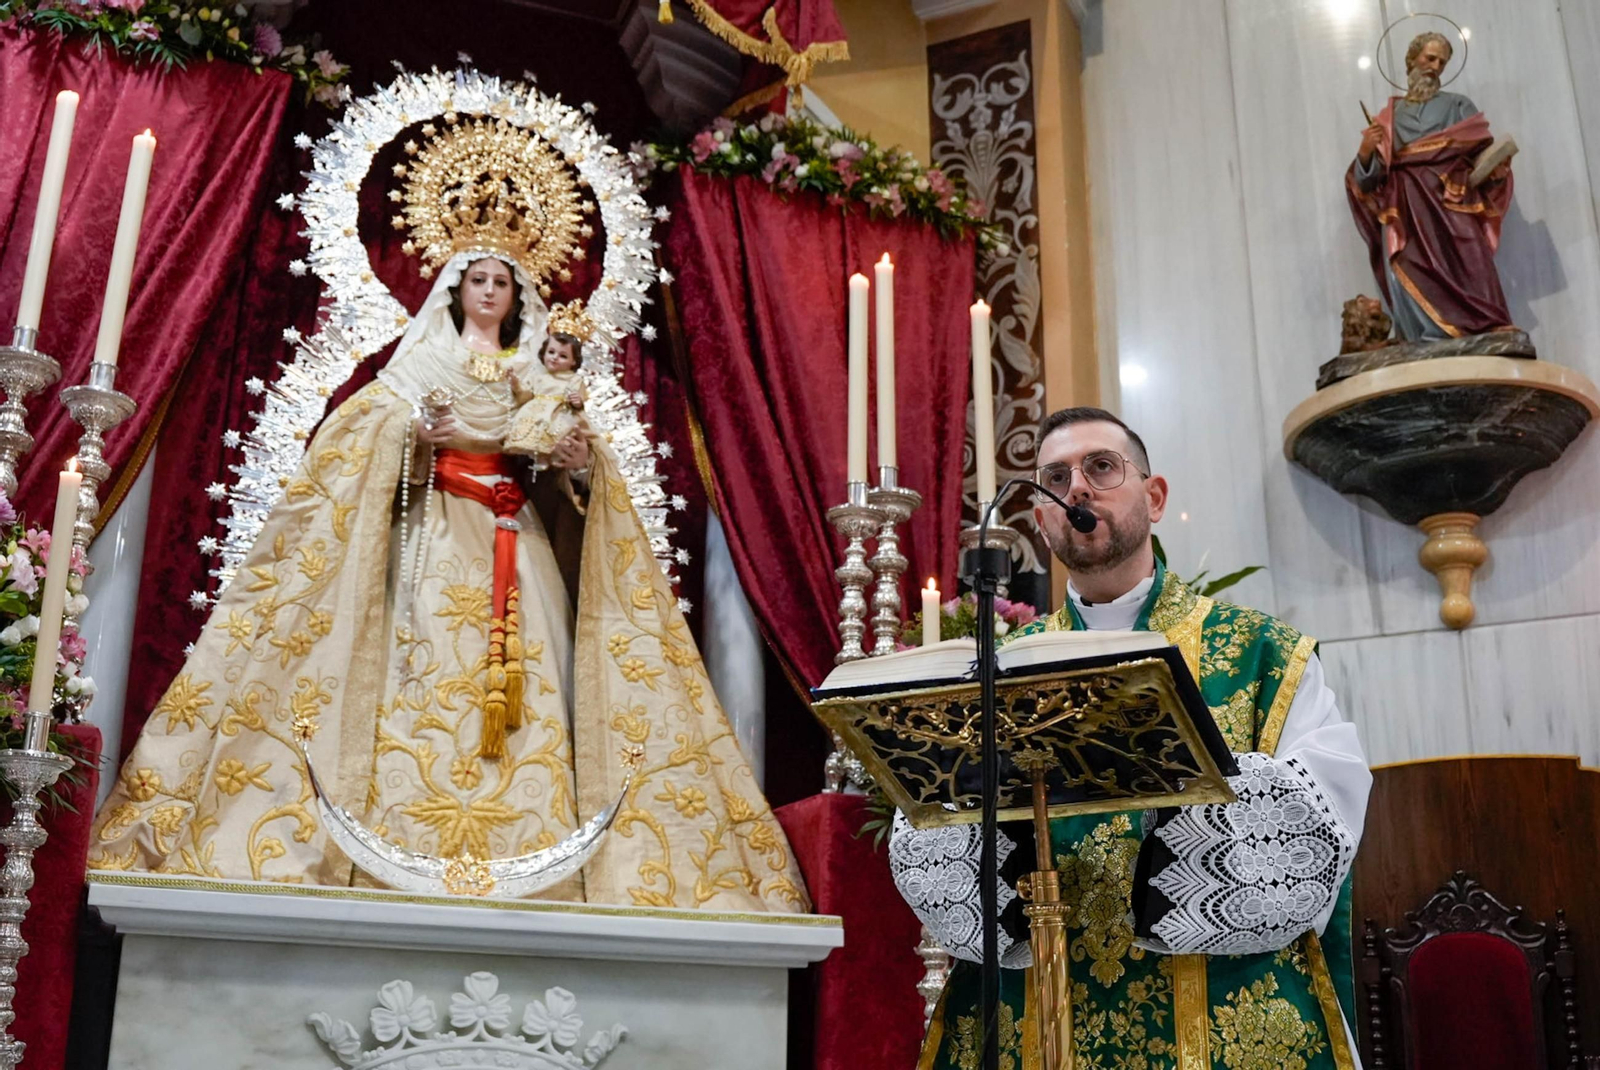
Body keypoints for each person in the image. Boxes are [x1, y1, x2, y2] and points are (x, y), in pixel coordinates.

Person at [89, 248, 807, 914]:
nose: (490, 293)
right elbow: (358, 431)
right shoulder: (423, 360)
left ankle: (531, 856)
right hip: (432, 541)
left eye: (502, 283)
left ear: (516, 298)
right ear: (457, 290)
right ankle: (381, 847)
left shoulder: (537, 371)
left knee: (532, 679)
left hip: (512, 538)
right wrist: (413, 440)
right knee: (416, 670)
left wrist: (575, 459)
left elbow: (565, 459)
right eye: (479, 281)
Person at [890, 407, 1371, 1068]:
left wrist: (1179, 808)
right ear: (1041, 520)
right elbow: (930, 829)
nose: (1077, 488)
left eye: (1101, 467)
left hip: (1220, 1021)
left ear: (1154, 496)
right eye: (1055, 478)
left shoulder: (1261, 655)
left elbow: (1321, 823)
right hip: (1034, 1014)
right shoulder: (997, 671)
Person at [1347, 30, 1515, 343]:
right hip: (1406, 203)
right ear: (1412, 60)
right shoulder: (1389, 117)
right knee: (1410, 263)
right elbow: (1367, 181)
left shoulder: (1458, 104)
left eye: (1442, 62)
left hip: (1450, 194)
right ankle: (1424, 338)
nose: (1435, 66)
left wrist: (1498, 166)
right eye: (1430, 58)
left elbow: (1481, 150)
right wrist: (1367, 150)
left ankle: (1485, 324)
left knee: (1471, 251)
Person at [505, 331, 589, 467]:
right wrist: (516, 384)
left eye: (563, 356)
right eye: (551, 352)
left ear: (573, 361)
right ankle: (530, 457)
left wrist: (576, 402)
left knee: (555, 437)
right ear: (543, 353)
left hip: (557, 414)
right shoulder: (537, 375)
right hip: (532, 410)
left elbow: (579, 400)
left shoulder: (573, 379)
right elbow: (525, 395)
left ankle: (548, 460)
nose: (555, 358)